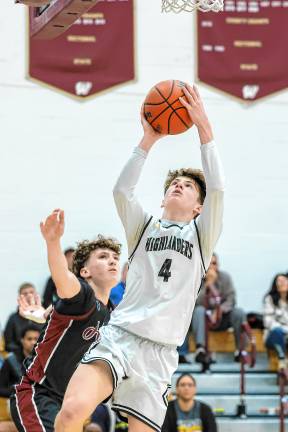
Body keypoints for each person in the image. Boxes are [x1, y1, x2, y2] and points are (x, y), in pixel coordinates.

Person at [55, 84, 225, 432]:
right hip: (120, 335)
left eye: (188, 185)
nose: (178, 185)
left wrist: (205, 130)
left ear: (199, 207)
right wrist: (148, 139)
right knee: (71, 413)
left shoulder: (201, 235)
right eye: (173, 184)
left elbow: (219, 189)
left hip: (159, 354)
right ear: (163, 199)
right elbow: (121, 191)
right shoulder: (143, 227)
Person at [10, 209, 121, 432]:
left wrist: (42, 314)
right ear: (85, 271)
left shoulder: (112, 313)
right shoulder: (82, 296)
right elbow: (63, 276)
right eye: (103, 256)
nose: (112, 261)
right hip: (38, 393)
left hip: (69, 402)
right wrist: (53, 242)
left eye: (115, 258)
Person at [189, 253, 247, 364]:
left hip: (222, 318)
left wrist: (219, 311)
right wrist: (208, 284)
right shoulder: (196, 279)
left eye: (214, 263)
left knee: (239, 312)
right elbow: (194, 303)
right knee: (199, 311)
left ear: (218, 265)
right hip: (203, 320)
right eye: (208, 264)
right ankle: (200, 350)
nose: (211, 267)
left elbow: (231, 299)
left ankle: (240, 351)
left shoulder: (225, 277)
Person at [0, 324, 40, 398]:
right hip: (18, 403)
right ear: (22, 340)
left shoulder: (45, 360)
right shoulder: (10, 360)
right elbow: (1, 388)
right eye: (29, 339)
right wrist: (17, 391)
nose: (33, 342)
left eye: (36, 339)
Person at [4, 283, 43, 353]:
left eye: (31, 292)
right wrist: (24, 348)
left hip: (42, 353)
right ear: (19, 297)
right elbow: (8, 344)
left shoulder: (44, 315)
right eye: (25, 293)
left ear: (36, 294)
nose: (28, 295)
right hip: (21, 356)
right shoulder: (13, 318)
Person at [263, 273, 288, 369]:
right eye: (279, 281)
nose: (282, 283)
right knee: (277, 331)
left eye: (284, 280)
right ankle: (282, 359)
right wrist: (285, 329)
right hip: (273, 335)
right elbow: (268, 322)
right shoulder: (269, 299)